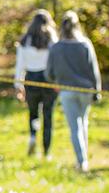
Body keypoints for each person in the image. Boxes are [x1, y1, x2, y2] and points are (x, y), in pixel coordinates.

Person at [45, 10, 101, 172]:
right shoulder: (85, 44)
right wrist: (97, 91)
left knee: (75, 127)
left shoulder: (56, 48)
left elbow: (49, 72)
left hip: (67, 91)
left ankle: (81, 161)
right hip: (86, 91)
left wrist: (55, 81)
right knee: (83, 123)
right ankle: (82, 159)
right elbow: (94, 70)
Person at [13, 10, 58, 158]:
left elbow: (20, 65)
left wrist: (18, 85)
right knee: (48, 115)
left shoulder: (25, 41)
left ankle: (33, 136)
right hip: (48, 80)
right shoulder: (51, 40)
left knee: (33, 113)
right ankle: (47, 150)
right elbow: (56, 62)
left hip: (31, 79)